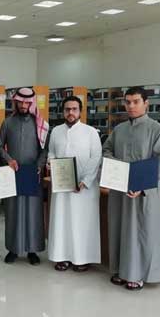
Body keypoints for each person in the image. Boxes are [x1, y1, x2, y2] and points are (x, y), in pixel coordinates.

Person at [102, 86, 160, 290]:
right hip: (120, 189)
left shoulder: (158, 130)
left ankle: (138, 275)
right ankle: (120, 270)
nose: (131, 106)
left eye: (136, 101)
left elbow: (158, 163)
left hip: (143, 192)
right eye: (128, 102)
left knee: (141, 231)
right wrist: (118, 169)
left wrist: (141, 185)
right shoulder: (119, 130)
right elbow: (106, 150)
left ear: (146, 103)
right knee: (119, 228)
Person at [47, 96, 102, 272]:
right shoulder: (56, 131)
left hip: (84, 188)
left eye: (74, 109)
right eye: (67, 109)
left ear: (80, 111)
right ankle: (62, 256)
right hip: (62, 185)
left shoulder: (91, 132)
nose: (70, 112)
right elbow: (51, 153)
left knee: (82, 222)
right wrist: (50, 163)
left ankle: (82, 259)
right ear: (63, 111)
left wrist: (85, 181)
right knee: (62, 221)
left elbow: (96, 157)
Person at [0, 87, 49, 265]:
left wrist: (39, 166)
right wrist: (9, 159)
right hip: (13, 173)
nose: (23, 105)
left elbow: (45, 150)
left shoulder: (41, 125)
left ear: (32, 103)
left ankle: (32, 250)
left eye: (27, 102)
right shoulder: (7, 123)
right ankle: (13, 249)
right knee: (13, 212)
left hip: (32, 173)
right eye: (20, 102)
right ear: (15, 102)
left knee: (33, 213)